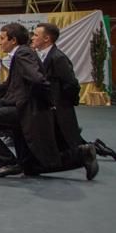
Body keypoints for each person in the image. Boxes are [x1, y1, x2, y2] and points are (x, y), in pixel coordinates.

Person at [0, 23, 96, 179]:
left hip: (25, 111)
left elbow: (38, 80)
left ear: (13, 40)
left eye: (2, 38)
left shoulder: (22, 54)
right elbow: (8, 85)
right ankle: (82, 155)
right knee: (30, 167)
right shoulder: (23, 54)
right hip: (27, 110)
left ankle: (8, 162)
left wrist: (43, 104)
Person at [33, 23, 115, 162]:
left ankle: (97, 149)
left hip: (60, 106)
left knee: (71, 141)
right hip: (51, 106)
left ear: (46, 38)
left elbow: (71, 83)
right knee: (68, 140)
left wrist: (65, 103)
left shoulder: (58, 58)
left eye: (36, 35)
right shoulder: (43, 55)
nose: (32, 38)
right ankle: (96, 147)